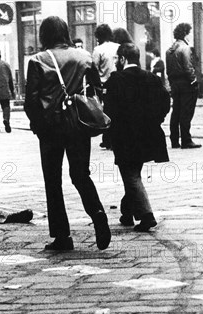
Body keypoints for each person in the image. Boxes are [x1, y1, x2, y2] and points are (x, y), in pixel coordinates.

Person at [24, 16, 111, 251]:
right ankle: (98, 213)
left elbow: (31, 100)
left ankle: (62, 236)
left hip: (51, 127)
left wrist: (37, 124)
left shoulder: (39, 60)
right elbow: (96, 90)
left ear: (44, 35)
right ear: (65, 32)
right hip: (79, 124)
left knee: (53, 181)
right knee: (81, 174)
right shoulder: (84, 56)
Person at [104, 43, 170, 232]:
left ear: (123, 59)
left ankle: (147, 216)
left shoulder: (117, 80)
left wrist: (108, 134)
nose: (115, 61)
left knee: (130, 174)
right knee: (133, 172)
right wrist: (156, 119)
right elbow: (166, 101)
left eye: (117, 58)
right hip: (148, 134)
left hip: (125, 135)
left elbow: (108, 111)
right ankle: (127, 211)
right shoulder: (151, 78)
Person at [166, 23, 202, 149]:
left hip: (175, 83)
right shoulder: (185, 48)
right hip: (186, 83)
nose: (191, 35)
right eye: (190, 32)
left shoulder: (170, 49)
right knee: (186, 112)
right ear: (185, 33)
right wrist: (194, 80)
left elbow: (168, 70)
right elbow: (188, 67)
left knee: (176, 111)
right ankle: (186, 140)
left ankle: (174, 140)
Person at [92, 24, 119, 150]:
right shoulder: (118, 47)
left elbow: (94, 68)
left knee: (106, 111)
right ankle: (115, 137)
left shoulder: (98, 50)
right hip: (118, 82)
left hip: (104, 84)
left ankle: (107, 139)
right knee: (117, 110)